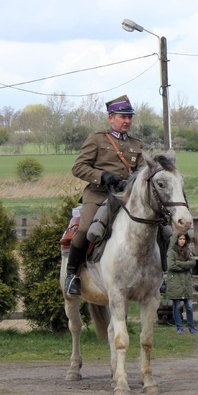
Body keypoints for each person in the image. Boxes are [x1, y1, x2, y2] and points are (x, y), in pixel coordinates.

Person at [64, 95, 144, 296]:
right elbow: (78, 167)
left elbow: (143, 171)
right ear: (111, 118)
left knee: (159, 225)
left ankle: (159, 275)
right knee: (84, 228)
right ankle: (72, 274)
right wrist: (102, 176)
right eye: (122, 117)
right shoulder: (97, 139)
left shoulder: (136, 145)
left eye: (129, 117)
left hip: (126, 197)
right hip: (98, 194)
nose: (127, 121)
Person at [166, 233, 198, 334]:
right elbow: (171, 266)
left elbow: (193, 263)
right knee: (176, 306)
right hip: (175, 281)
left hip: (186, 282)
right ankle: (179, 327)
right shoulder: (171, 252)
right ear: (176, 240)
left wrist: (179, 263)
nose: (182, 241)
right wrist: (186, 265)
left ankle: (191, 327)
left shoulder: (188, 251)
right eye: (180, 239)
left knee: (189, 306)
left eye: (184, 239)